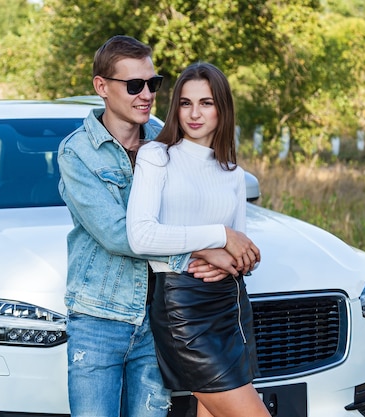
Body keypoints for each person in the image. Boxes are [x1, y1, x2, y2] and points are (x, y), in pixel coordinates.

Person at [57, 36, 244, 417]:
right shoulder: (76, 153)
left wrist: (234, 254)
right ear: (101, 87)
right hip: (99, 320)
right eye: (134, 85)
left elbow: (209, 194)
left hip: (159, 321)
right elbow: (119, 234)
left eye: (152, 84)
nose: (146, 94)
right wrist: (207, 248)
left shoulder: (167, 145)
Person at [126, 62, 269, 417]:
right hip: (184, 307)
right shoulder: (157, 156)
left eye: (206, 103)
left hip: (231, 305)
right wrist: (219, 237)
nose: (194, 113)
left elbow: (243, 252)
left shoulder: (232, 173)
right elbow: (141, 235)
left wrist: (230, 263)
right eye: (186, 103)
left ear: (222, 108)